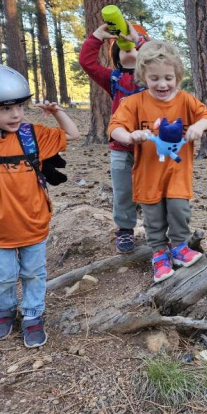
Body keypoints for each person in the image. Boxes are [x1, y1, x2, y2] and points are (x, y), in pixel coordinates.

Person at [0, 63, 80, 348]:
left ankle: (33, 314)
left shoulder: (31, 135)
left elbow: (72, 135)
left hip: (33, 225)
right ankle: (4, 311)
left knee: (34, 273)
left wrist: (57, 112)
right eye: (4, 109)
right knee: (3, 277)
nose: (15, 114)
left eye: (19, 107)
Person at [108, 40, 207, 282]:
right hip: (148, 175)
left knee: (180, 211)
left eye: (168, 77)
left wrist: (199, 126)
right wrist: (129, 136)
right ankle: (158, 253)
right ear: (143, 77)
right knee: (153, 217)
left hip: (178, 173)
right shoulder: (134, 103)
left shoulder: (186, 100)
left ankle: (179, 246)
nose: (162, 84)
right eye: (154, 78)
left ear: (177, 76)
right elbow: (115, 126)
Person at [79, 19, 150, 254]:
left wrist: (138, 41)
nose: (129, 50)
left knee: (154, 190)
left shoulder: (153, 80)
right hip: (120, 147)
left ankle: (157, 230)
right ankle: (125, 230)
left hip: (150, 147)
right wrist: (97, 36)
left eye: (134, 48)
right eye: (123, 49)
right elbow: (87, 63)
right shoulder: (113, 79)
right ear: (116, 57)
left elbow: (159, 57)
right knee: (123, 191)